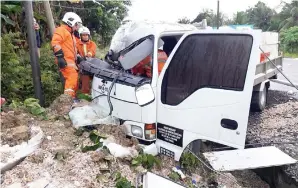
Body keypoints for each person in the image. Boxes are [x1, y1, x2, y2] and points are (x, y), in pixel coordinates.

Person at [51, 12, 82, 99]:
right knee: (72, 77)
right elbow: (55, 43)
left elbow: (72, 48)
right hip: (65, 60)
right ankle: (67, 99)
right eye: (76, 24)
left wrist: (78, 57)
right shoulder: (62, 30)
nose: (77, 27)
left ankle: (72, 98)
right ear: (71, 22)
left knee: (74, 78)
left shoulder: (70, 34)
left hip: (70, 61)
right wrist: (60, 57)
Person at [76, 26, 97, 94]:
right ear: (80, 36)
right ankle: (85, 95)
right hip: (82, 66)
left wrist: (88, 55)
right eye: (83, 35)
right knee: (85, 77)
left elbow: (92, 51)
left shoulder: (92, 43)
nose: (85, 36)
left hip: (91, 64)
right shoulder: (77, 44)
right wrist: (78, 57)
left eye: (86, 35)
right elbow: (75, 52)